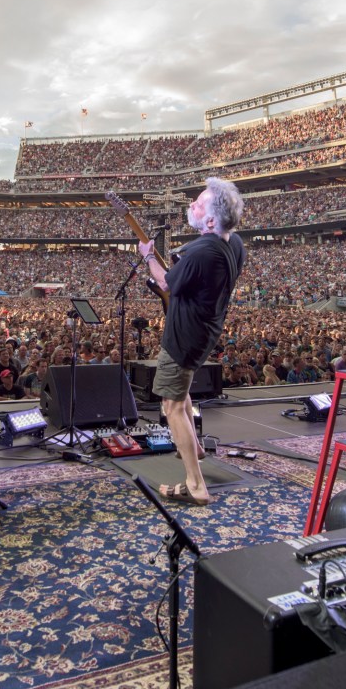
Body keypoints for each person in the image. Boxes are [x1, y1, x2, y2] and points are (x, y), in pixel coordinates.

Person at [138, 177, 245, 506]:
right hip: (205, 332)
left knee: (170, 405)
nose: (191, 207)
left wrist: (147, 257)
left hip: (183, 337)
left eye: (198, 204)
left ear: (211, 220)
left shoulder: (200, 251)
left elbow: (166, 284)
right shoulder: (235, 243)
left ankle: (195, 483)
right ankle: (195, 448)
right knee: (181, 392)